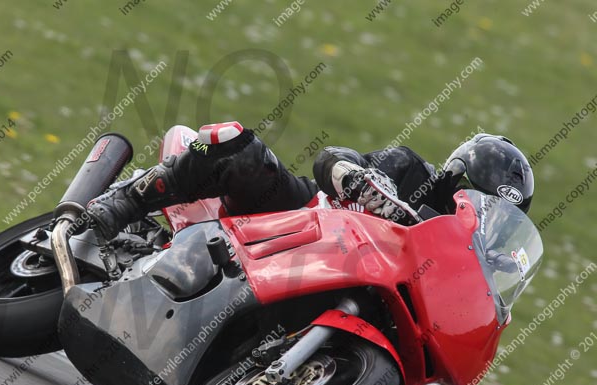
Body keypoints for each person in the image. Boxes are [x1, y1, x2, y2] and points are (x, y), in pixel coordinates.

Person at [86, 121, 534, 240]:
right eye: (482, 200)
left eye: (498, 215)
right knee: (240, 148)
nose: (482, 215)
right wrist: (357, 179)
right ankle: (126, 200)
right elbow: (331, 159)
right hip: (300, 217)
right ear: (458, 178)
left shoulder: (469, 258)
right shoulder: (411, 170)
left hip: (345, 278)